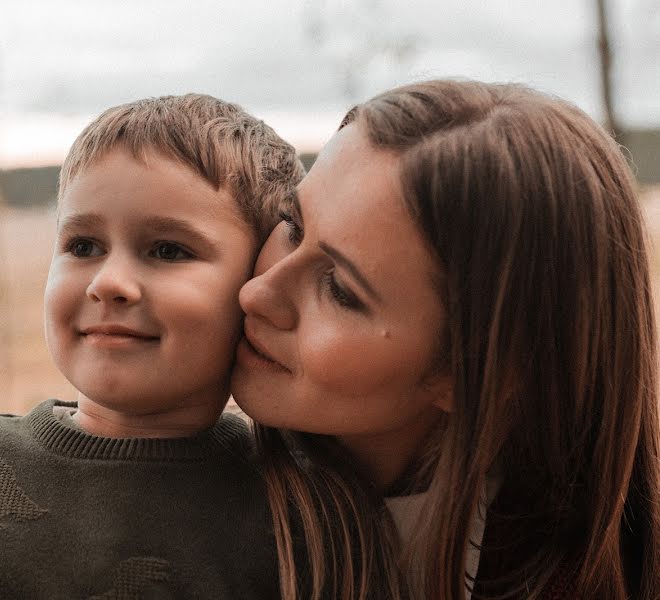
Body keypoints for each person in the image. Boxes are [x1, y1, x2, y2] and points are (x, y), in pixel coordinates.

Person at [0, 93, 307, 599]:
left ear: (261, 283)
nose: (109, 282)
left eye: (168, 250)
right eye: (83, 246)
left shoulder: (294, 502)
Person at [231, 80, 660, 599]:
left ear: (482, 373)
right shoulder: (187, 494)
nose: (257, 293)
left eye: (341, 290)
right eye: (292, 225)